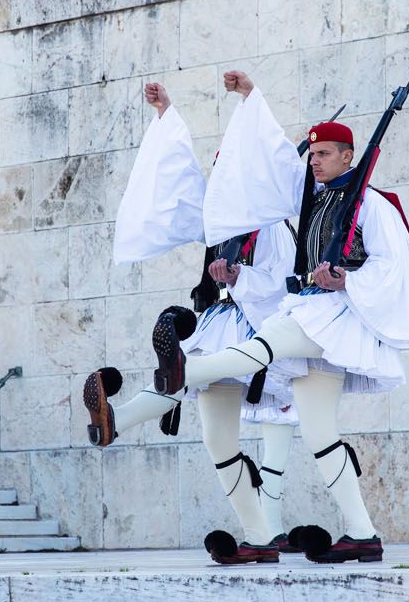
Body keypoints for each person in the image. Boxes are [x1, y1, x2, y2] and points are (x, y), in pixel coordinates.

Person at [149, 70, 409, 564]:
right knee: (320, 433)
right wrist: (246, 99)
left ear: (348, 157)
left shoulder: (372, 205)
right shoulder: (315, 201)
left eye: (324, 154)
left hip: (337, 316)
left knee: (264, 345)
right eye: (314, 154)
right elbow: (265, 163)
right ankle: (362, 534)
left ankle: (182, 373)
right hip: (313, 311)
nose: (315, 161)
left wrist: (346, 279)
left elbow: (394, 266)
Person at [84, 81, 301, 564]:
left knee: (180, 375)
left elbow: (283, 286)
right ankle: (259, 538)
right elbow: (179, 182)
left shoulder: (272, 227)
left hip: (255, 333)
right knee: (216, 439)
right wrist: (166, 114)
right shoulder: (221, 224)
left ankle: (119, 420)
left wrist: (240, 277)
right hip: (219, 323)